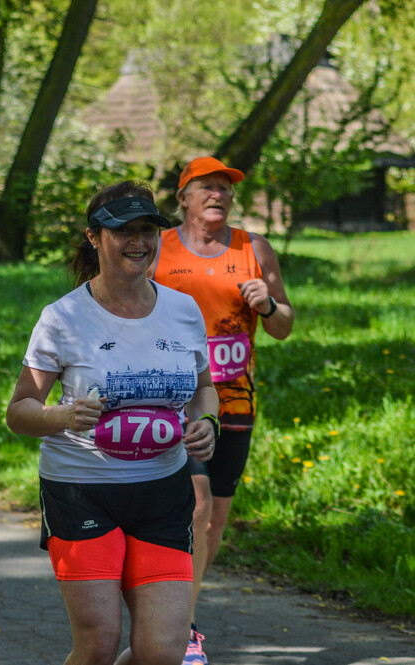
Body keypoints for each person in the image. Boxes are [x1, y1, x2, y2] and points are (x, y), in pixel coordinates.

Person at [6, 180, 219, 665]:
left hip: (163, 492)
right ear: (94, 237)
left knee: (161, 653)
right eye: (124, 230)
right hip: (82, 490)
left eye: (148, 230)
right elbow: (19, 411)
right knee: (99, 645)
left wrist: (207, 422)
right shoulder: (62, 318)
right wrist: (61, 415)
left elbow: (204, 388)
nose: (138, 242)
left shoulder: (183, 310)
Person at [151, 156, 294, 664]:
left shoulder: (254, 248)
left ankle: (178, 614)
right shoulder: (159, 248)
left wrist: (268, 305)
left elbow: (283, 326)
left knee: (215, 521)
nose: (219, 195)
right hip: (177, 399)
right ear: (183, 198)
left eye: (226, 189)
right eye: (207, 187)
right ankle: (181, 630)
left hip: (235, 400)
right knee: (197, 504)